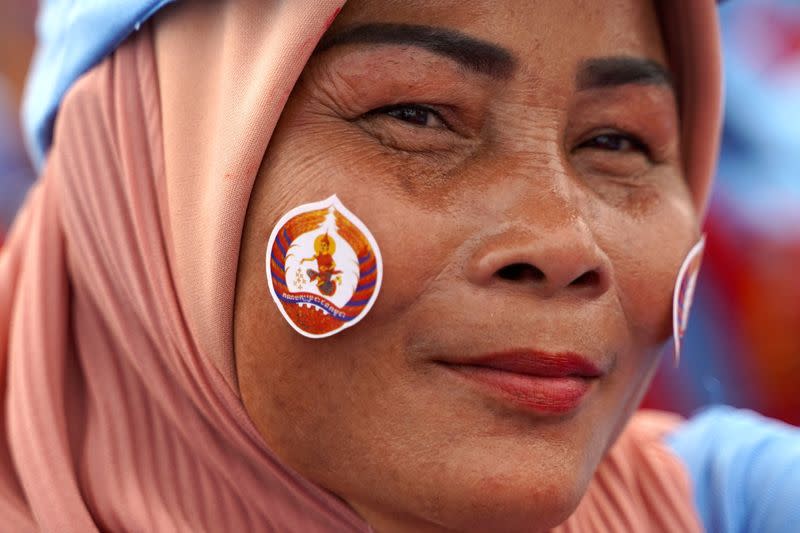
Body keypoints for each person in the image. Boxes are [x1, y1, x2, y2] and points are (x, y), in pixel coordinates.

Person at [1, 1, 798, 532]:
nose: (565, 246)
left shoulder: (729, 505)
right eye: (415, 115)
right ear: (135, 181)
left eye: (617, 140)